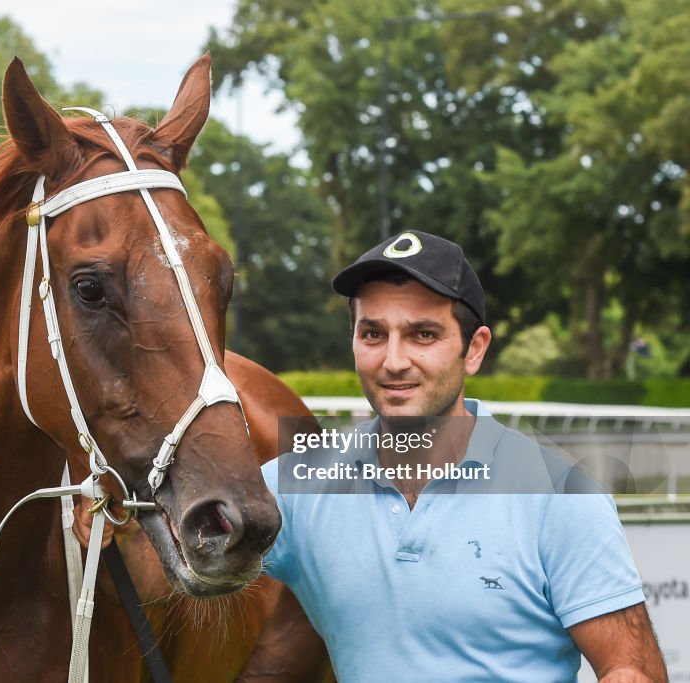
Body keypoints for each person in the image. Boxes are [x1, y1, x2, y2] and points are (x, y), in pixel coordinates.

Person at [241, 231, 667, 682]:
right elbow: (182, 549)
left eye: (422, 334)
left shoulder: (560, 496)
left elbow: (632, 669)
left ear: (475, 349)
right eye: (373, 334)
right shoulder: (298, 488)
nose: (393, 360)